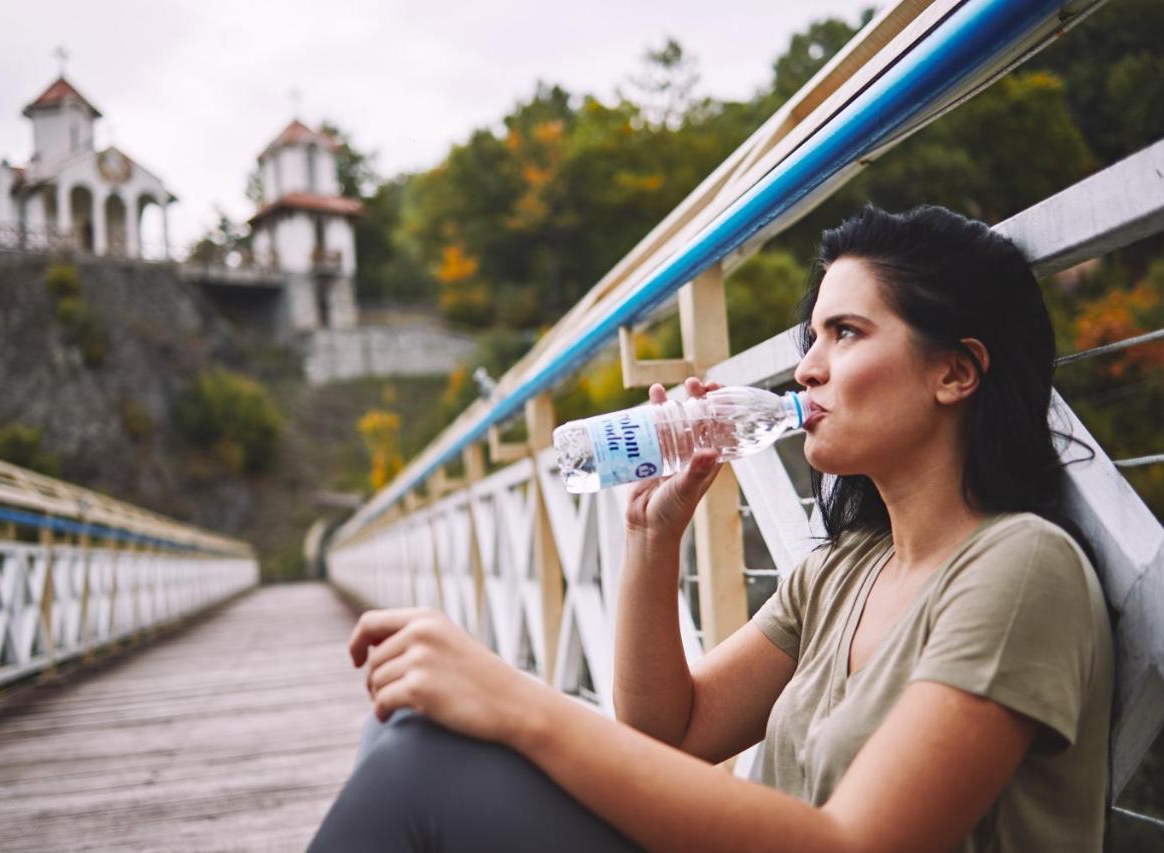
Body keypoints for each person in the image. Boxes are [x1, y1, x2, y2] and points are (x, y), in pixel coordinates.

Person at [308, 205, 1114, 852]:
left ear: (956, 371)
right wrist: (653, 536)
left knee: (418, 767)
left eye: (847, 332)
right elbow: (672, 730)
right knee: (409, 726)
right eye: (813, 336)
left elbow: (857, 841)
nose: (806, 367)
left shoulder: (1021, 568)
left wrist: (515, 701)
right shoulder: (845, 570)